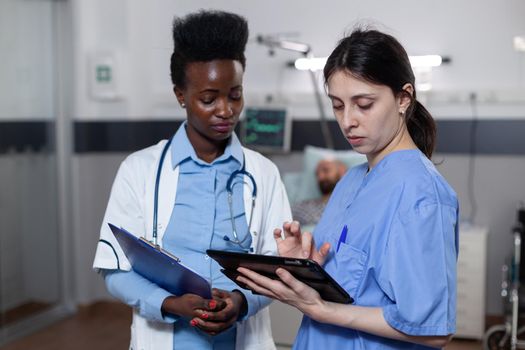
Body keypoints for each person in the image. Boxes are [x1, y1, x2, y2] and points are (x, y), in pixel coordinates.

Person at [237, 28, 459, 349]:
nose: (347, 121)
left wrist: (325, 310)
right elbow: (353, 282)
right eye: (338, 105)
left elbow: (433, 329)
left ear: (403, 98)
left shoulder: (422, 195)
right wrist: (306, 268)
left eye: (363, 104)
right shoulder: (351, 181)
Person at [92, 10, 291, 350]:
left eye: (235, 94)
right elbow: (115, 269)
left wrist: (241, 302)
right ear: (180, 95)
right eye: (209, 99)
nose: (226, 110)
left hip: (242, 339)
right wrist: (169, 305)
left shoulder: (263, 174)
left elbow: (277, 267)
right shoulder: (138, 170)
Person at [292, 158, 346, 227]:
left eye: (326, 170)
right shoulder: (302, 207)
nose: (320, 177)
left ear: (343, 172)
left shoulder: (353, 207)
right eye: (317, 174)